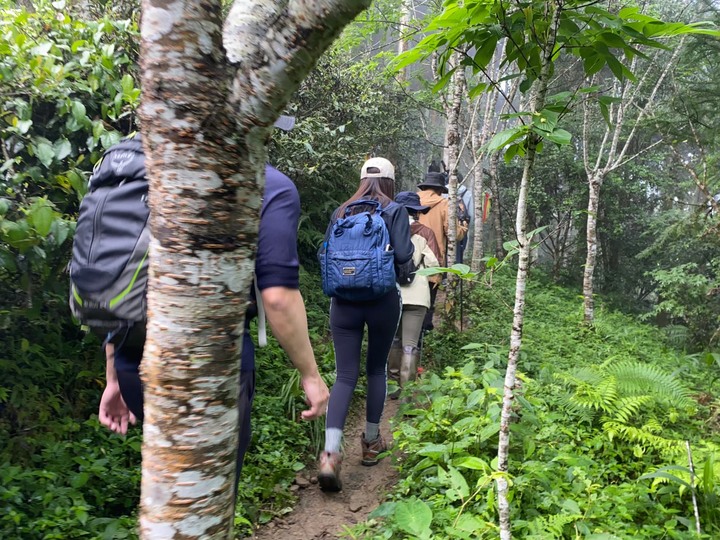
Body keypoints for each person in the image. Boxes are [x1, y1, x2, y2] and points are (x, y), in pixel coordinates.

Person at [98, 142, 329, 487]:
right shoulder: (267, 184)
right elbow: (278, 298)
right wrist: (310, 376)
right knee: (203, 498)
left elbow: (118, 281)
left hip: (134, 362)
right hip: (216, 367)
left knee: (170, 493)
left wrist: (114, 376)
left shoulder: (148, 175)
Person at [317, 157, 414, 492]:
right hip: (382, 301)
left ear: (360, 180)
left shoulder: (342, 211)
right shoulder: (395, 210)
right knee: (375, 370)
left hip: (343, 303)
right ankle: (371, 442)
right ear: (390, 182)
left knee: (345, 375)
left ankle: (330, 453)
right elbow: (402, 256)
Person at [387, 191, 440, 399]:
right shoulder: (425, 233)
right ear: (417, 212)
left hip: (391, 294)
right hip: (417, 297)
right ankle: (407, 393)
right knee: (410, 344)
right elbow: (434, 266)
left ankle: (393, 387)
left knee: (394, 340)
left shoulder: (387, 230)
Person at [416, 171, 449, 331]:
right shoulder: (444, 204)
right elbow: (453, 232)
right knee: (429, 295)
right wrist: (463, 227)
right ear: (440, 189)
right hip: (433, 257)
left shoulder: (412, 200)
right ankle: (424, 328)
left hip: (409, 255)